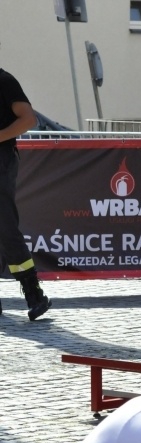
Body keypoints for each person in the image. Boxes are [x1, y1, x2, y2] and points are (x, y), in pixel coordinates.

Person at [0, 65, 51, 320]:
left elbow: (29, 119)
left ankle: (34, 294)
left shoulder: (4, 81)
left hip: (1, 161)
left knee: (6, 228)